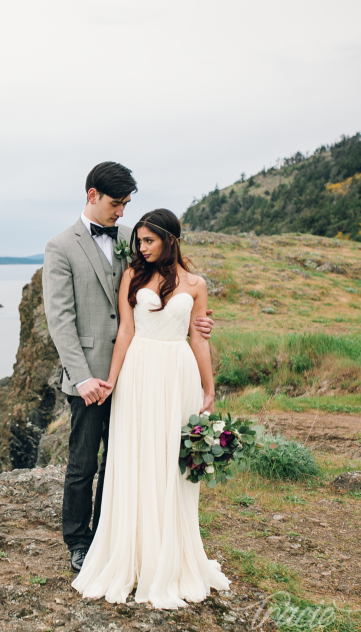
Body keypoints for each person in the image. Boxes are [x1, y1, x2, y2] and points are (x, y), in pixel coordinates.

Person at [42, 163, 214, 573]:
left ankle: (112, 535)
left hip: (141, 374)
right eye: (116, 204)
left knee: (125, 461)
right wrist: (82, 378)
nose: (121, 212)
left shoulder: (133, 240)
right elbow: (60, 319)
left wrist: (195, 320)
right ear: (92, 195)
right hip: (91, 377)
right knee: (84, 462)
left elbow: (165, 288)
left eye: (126, 205)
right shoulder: (60, 247)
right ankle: (79, 542)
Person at [71, 208, 230, 607]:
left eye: (148, 241)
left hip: (177, 375)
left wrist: (209, 390)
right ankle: (133, 556)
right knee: (134, 458)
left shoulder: (196, 285)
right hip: (138, 374)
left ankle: (168, 556)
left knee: (166, 463)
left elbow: (199, 339)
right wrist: (110, 380)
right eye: (138, 241)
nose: (139, 248)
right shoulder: (133, 275)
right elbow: (126, 330)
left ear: (169, 240)